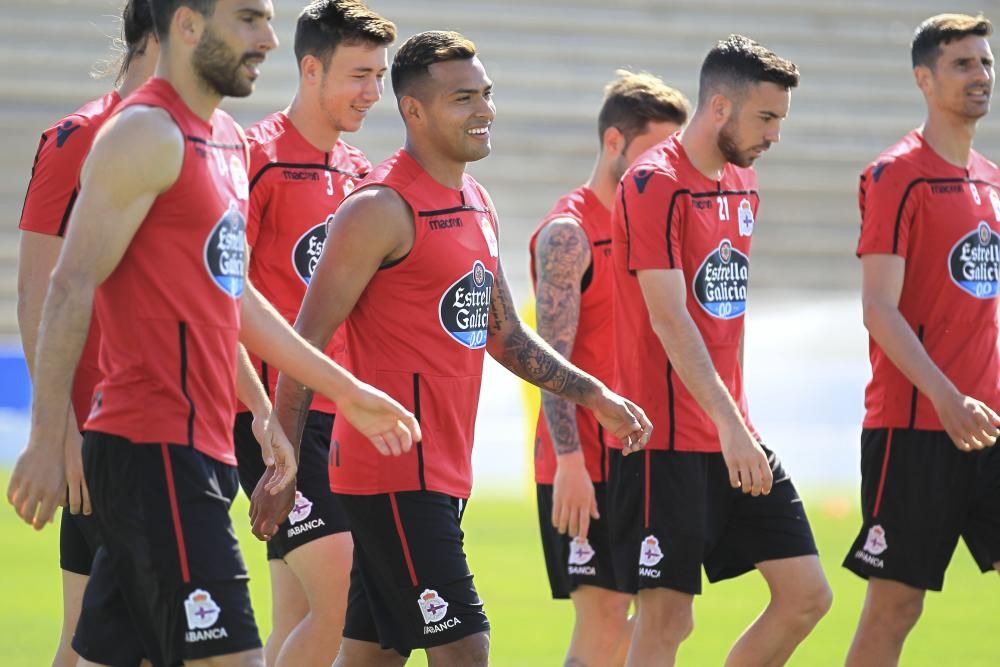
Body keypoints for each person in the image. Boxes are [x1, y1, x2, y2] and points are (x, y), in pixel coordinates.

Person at [5, 1, 419, 665]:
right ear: (189, 25)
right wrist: (49, 432)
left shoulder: (225, 137)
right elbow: (67, 283)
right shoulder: (142, 133)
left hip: (199, 447)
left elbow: (233, 298)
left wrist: (316, 396)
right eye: (250, 19)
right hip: (152, 444)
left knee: (100, 655)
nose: (269, 38)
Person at [260, 30, 652, 667]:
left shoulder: (477, 201)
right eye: (463, 98)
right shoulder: (378, 208)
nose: (484, 110)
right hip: (389, 468)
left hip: (443, 468)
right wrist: (285, 465)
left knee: (371, 653)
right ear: (413, 111)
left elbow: (506, 336)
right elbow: (305, 340)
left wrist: (595, 395)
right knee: (465, 647)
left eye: (487, 95)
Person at [608, 35, 831, 666]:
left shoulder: (743, 182)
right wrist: (733, 427)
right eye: (766, 118)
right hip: (666, 440)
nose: (775, 135)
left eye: (781, 120)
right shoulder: (653, 184)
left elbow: (721, 321)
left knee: (806, 594)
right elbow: (670, 319)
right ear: (719, 108)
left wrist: (737, 427)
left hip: (731, 430)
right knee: (667, 620)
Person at [232, 2, 395, 665]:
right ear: (309, 68)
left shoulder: (362, 173)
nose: (373, 92)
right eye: (359, 74)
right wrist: (264, 416)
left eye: (380, 74)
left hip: (343, 418)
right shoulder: (254, 156)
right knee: (346, 599)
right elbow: (225, 294)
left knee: (299, 618)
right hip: (281, 418)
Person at [843, 14, 1000, 667]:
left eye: (985, 64)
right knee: (896, 605)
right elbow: (879, 308)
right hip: (916, 425)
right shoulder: (895, 174)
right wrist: (945, 396)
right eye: (963, 65)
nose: (981, 77)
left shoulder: (991, 180)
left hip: (988, 421)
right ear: (923, 79)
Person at [529, 70, 688, 667]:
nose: (667, 166)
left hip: (649, 454)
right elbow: (549, 359)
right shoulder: (568, 232)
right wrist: (569, 460)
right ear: (616, 142)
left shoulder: (658, 225)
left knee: (670, 617)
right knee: (601, 620)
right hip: (585, 462)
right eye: (657, 150)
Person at [15, 3, 158, 664]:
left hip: (173, 430)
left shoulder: (197, 138)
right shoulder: (79, 136)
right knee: (98, 643)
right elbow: (39, 291)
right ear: (174, 29)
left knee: (102, 643)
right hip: (102, 432)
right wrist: (59, 434)